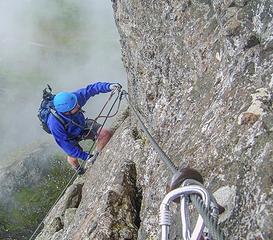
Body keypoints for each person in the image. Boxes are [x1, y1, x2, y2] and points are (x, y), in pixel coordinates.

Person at [47, 82, 121, 175]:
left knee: (105, 133)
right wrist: (85, 156)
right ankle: (77, 168)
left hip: (81, 125)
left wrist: (108, 86)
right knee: (73, 156)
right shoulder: (55, 123)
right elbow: (65, 145)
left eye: (76, 104)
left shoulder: (73, 100)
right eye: (75, 107)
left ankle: (97, 157)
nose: (78, 105)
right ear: (67, 112)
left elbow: (90, 89)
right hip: (69, 137)